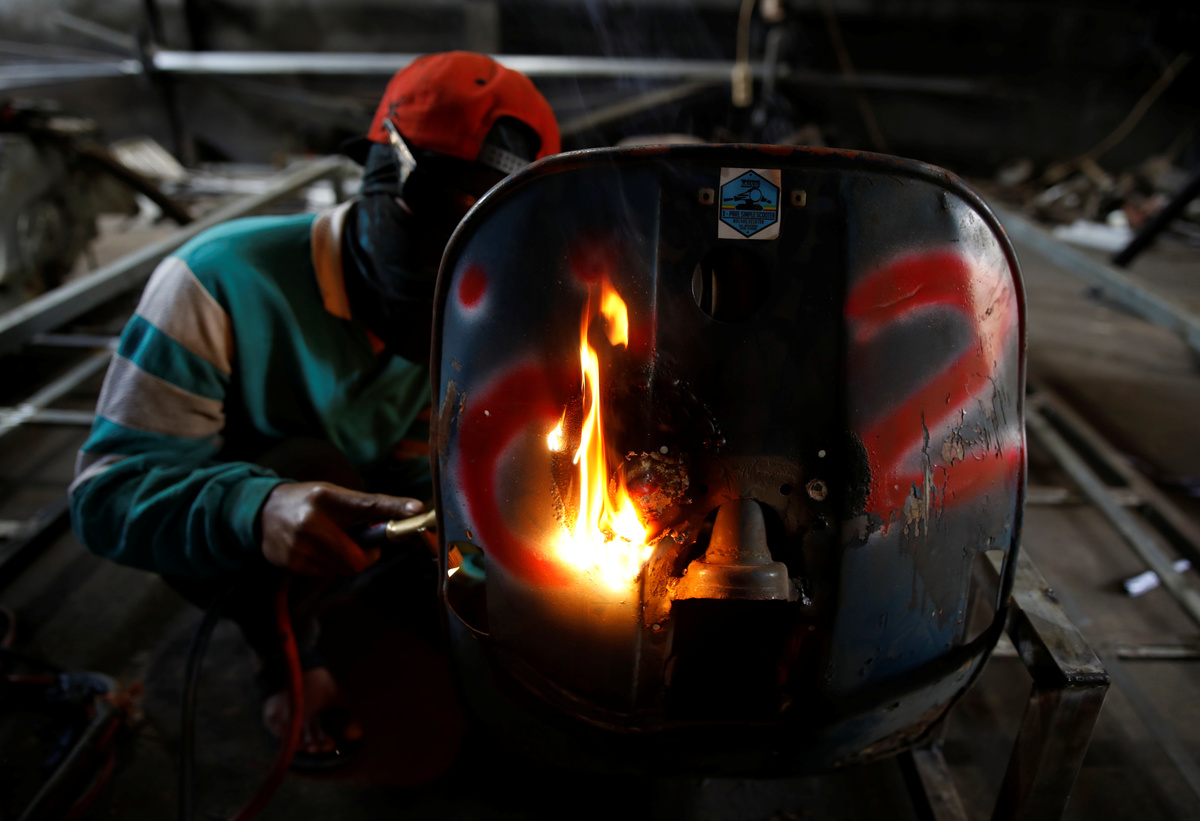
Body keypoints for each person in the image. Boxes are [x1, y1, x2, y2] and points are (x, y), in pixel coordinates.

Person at [68, 51, 560, 764]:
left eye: (484, 245)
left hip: (372, 523)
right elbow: (105, 495)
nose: (452, 275)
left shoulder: (487, 310)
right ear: (377, 179)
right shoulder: (216, 281)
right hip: (243, 535)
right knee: (310, 464)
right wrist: (259, 509)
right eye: (434, 225)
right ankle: (286, 658)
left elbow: (437, 476)